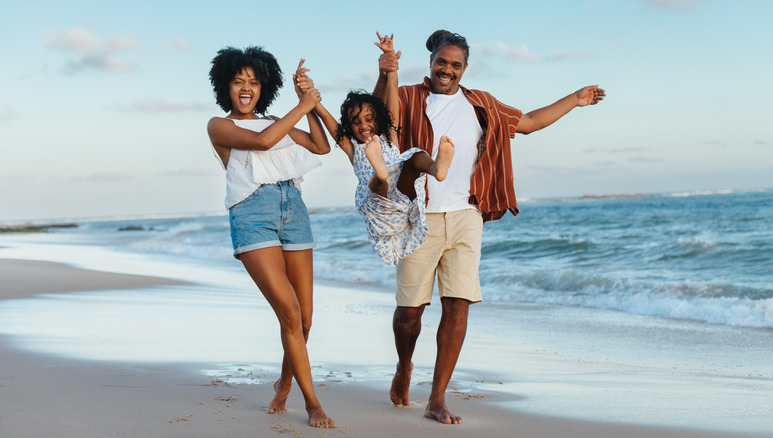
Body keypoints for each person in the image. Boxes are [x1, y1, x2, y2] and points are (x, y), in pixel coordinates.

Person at [374, 30, 606, 424]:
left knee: (459, 303)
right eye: (441, 62)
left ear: (465, 68)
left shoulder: (480, 103)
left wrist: (575, 99)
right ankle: (404, 364)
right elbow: (380, 120)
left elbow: (529, 123)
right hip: (419, 216)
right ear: (430, 61)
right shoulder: (409, 95)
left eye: (455, 65)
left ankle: (437, 397)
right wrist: (385, 74)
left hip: (467, 215)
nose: (447, 70)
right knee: (410, 311)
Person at [206, 46, 336, 429]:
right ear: (225, 85)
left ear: (264, 87)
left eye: (254, 82)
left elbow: (321, 146)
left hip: (293, 209)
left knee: (305, 320)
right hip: (253, 214)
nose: (246, 88)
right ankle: (312, 404)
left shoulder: (276, 120)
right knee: (290, 313)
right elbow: (262, 142)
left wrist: (306, 104)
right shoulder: (218, 125)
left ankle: (284, 382)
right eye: (238, 81)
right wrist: (304, 105)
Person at [297, 34, 454, 265]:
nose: (364, 126)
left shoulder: (390, 136)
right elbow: (325, 116)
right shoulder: (352, 148)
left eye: (369, 119)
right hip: (379, 204)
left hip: (400, 199)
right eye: (356, 122)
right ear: (349, 127)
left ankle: (436, 168)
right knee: (377, 182)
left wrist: (391, 64)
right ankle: (379, 171)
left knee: (414, 156)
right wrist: (308, 94)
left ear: (378, 119)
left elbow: (392, 92)